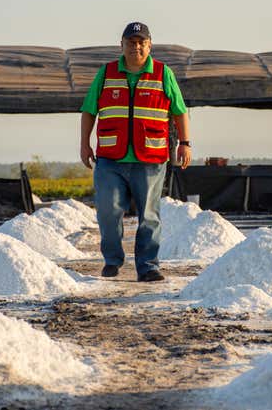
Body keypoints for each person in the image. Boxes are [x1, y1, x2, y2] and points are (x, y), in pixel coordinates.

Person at [80, 22, 191, 282]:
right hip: (110, 159)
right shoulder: (106, 74)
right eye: (131, 42)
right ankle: (112, 260)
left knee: (149, 216)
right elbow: (89, 110)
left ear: (149, 45)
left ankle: (148, 266)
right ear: (122, 45)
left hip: (150, 159)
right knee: (108, 210)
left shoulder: (163, 74)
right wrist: (84, 144)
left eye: (141, 42)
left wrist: (185, 143)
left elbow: (179, 111)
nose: (136, 46)